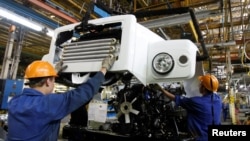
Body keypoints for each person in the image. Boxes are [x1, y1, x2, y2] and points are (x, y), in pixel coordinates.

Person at [6, 56, 115, 141]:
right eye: (53, 80)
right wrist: (103, 71)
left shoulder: (14, 101)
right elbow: (82, 93)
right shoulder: (49, 103)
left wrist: (52, 73)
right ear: (48, 81)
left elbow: (42, 97)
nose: (53, 84)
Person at [150, 74, 222, 141]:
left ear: (203, 88)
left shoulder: (196, 102)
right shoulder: (218, 100)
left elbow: (176, 98)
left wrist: (162, 90)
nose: (199, 85)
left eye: (201, 84)